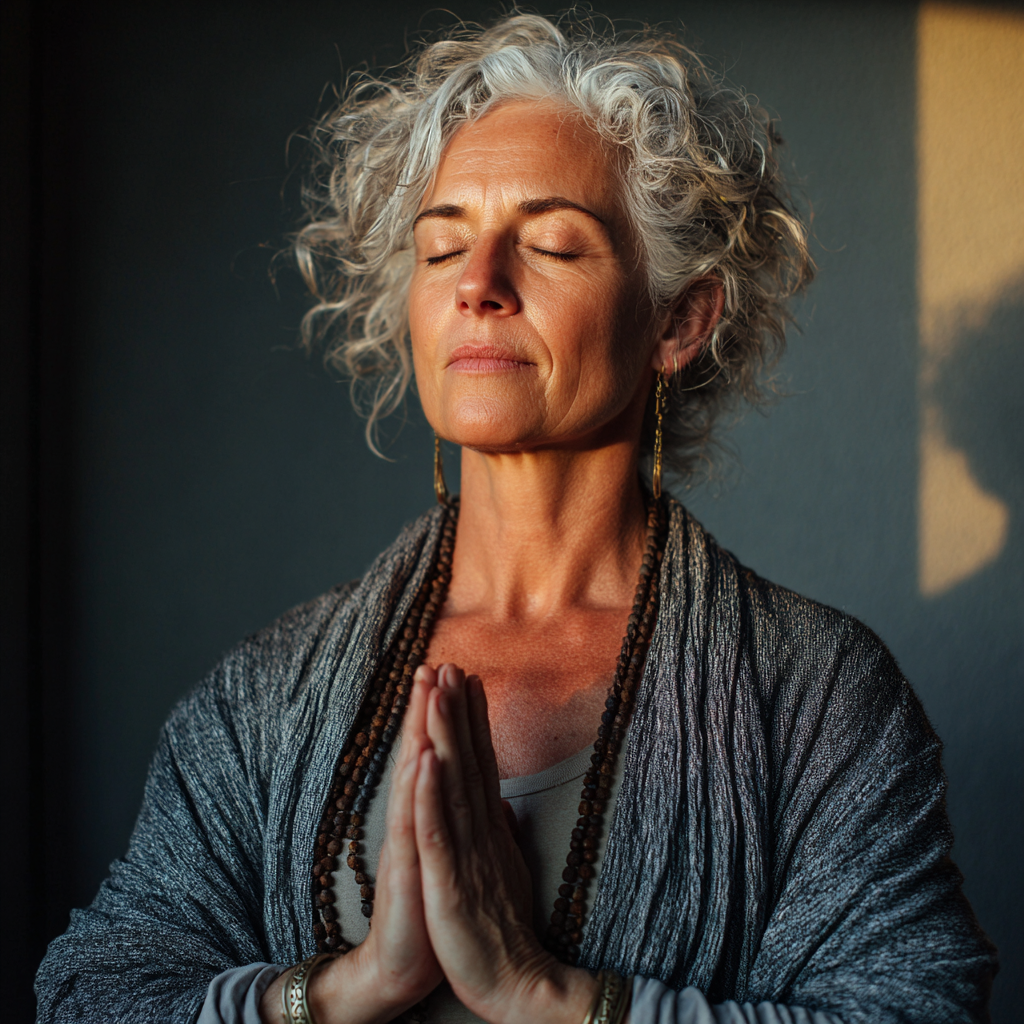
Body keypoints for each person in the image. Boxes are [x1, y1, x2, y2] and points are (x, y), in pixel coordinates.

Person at [35, 12, 996, 1024]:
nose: (478, 287)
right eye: (443, 247)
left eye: (549, 243)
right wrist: (350, 987)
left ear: (678, 319)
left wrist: (543, 991)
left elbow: (912, 1007)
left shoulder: (817, 699)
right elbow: (94, 989)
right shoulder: (261, 700)